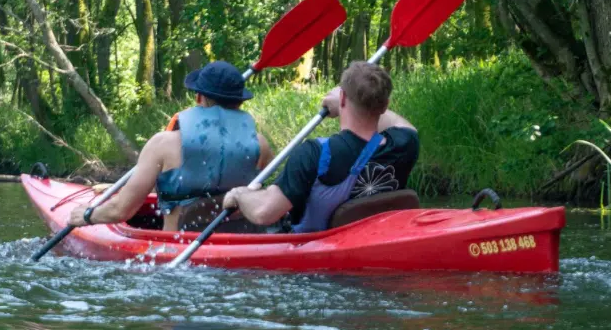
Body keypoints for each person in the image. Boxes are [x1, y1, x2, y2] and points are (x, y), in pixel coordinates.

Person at [69, 61, 274, 231]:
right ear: (239, 103)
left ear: (198, 98)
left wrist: (88, 214)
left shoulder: (163, 144)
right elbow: (269, 200)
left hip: (178, 256)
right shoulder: (261, 145)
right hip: (239, 252)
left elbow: (122, 210)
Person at [222, 61, 418, 232]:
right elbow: (405, 126)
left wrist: (239, 195)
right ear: (385, 106)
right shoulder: (403, 145)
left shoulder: (315, 153)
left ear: (342, 99)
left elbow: (264, 213)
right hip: (376, 242)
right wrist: (367, 100)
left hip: (314, 264)